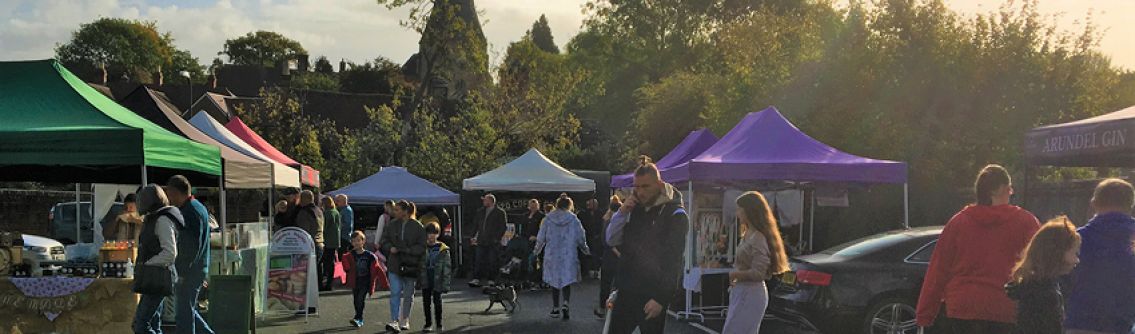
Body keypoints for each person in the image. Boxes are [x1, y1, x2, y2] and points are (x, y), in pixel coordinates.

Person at [915, 164, 1041, 333]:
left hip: (962, 307)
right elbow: (1040, 263)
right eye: (1010, 189)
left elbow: (938, 270)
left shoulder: (958, 223)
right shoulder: (1026, 222)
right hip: (1004, 307)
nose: (1011, 193)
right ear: (1000, 190)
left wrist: (925, 315)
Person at [605, 157, 689, 334]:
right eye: (636, 186)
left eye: (645, 186)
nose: (640, 192)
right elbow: (611, 240)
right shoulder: (633, 207)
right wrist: (620, 213)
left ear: (659, 184)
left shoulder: (675, 214)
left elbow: (674, 260)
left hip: (652, 294)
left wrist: (661, 298)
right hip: (626, 290)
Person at [1064, 178, 1135, 334]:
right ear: (1131, 205)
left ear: (1094, 203)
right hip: (1124, 323)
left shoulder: (1076, 240)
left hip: (1080, 322)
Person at [722, 192, 790, 333]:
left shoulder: (758, 238)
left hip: (751, 293)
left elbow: (758, 273)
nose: (737, 213)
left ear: (748, 211)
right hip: (741, 291)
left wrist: (735, 274)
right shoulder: (748, 234)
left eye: (739, 209)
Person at [1005, 217, 1081, 334]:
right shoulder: (1046, 294)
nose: (1077, 260)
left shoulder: (1027, 288)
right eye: (1074, 253)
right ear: (1057, 253)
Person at [133, 184, 182, 334]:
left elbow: (170, 252)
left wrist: (148, 264)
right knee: (154, 323)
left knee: (141, 324)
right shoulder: (155, 218)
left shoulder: (162, 220)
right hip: (154, 276)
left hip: (159, 275)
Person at [536, 196, 590, 320]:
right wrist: (585, 249)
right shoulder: (573, 219)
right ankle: (566, 303)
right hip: (568, 253)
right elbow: (581, 236)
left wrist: (536, 251)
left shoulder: (548, 218)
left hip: (553, 253)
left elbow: (541, 237)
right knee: (566, 279)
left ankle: (555, 308)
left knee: (555, 280)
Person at [380, 200, 427, 333]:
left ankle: (405, 319)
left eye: (397, 210)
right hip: (395, 263)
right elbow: (384, 240)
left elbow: (422, 246)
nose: (394, 212)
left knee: (408, 293)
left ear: (405, 211)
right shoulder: (391, 225)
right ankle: (394, 320)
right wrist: (391, 248)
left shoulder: (418, 227)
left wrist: (408, 250)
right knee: (394, 292)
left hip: (411, 265)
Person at [343, 231, 381, 328]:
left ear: (363, 241)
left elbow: (378, 269)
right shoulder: (350, 255)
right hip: (355, 281)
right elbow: (346, 266)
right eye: (354, 241)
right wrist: (345, 264)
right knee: (356, 300)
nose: (356, 243)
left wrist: (384, 283)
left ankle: (359, 318)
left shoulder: (369, 255)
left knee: (360, 299)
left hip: (365, 281)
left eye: (358, 241)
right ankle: (357, 316)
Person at [419, 222, 452, 333]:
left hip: (437, 278)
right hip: (425, 277)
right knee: (426, 302)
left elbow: (447, 268)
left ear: (438, 234)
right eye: (429, 233)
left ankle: (439, 323)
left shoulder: (443, 249)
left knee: (437, 302)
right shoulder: (422, 248)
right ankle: (428, 324)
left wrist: (446, 284)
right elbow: (419, 264)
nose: (431, 235)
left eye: (434, 233)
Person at [470, 194, 507, 288]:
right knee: (478, 259)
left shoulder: (500, 212)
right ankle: (476, 278)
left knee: (492, 260)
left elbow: (503, 227)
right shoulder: (480, 211)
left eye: (485, 200)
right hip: (481, 239)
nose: (483, 202)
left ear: (490, 201)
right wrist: (472, 236)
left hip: (492, 241)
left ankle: (491, 279)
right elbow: (475, 224)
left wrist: (497, 238)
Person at [595, 195, 622, 318]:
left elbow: (604, 240)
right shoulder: (623, 222)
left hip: (608, 257)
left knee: (605, 284)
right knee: (619, 285)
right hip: (621, 257)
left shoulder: (606, 220)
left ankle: (602, 309)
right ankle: (616, 310)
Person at [320, 196, 342, 291]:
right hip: (335, 240)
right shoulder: (336, 212)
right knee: (331, 262)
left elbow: (323, 228)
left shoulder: (327, 213)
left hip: (327, 240)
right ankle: (330, 283)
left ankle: (325, 283)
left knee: (325, 263)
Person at [578, 198, 603, 278]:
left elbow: (602, 225)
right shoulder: (584, 213)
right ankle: (585, 271)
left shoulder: (600, 213)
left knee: (596, 255)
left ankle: (596, 270)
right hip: (587, 237)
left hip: (596, 237)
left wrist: (598, 234)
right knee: (586, 254)